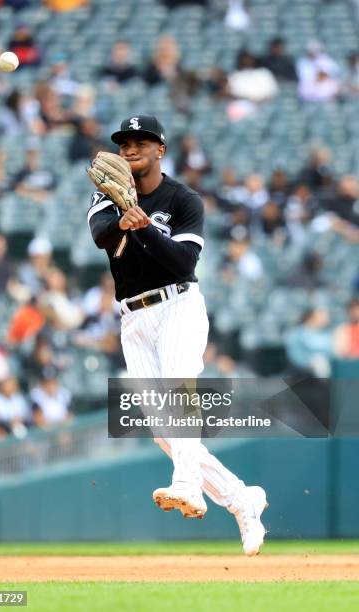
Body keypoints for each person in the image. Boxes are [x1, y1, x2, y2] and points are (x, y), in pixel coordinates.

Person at [87, 114, 268, 556]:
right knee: (163, 432)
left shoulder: (184, 200)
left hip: (177, 305)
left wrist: (144, 226)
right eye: (124, 143)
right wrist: (122, 222)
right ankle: (242, 499)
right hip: (132, 316)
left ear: (160, 150)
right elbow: (99, 237)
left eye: (141, 142)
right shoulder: (107, 195)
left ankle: (188, 483)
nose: (130, 149)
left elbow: (184, 264)